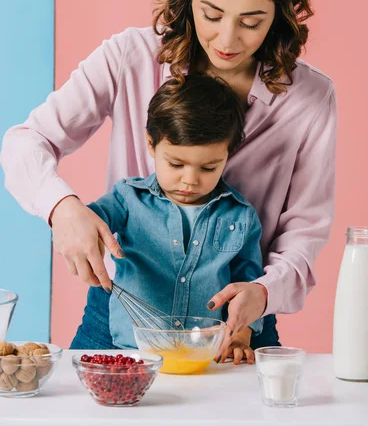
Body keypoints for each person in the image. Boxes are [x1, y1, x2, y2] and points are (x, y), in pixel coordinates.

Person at [1, 0, 337, 359]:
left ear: (278, 15)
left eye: (252, 21)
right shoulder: (130, 58)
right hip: (122, 313)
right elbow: (27, 140)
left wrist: (262, 293)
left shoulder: (309, 98)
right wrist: (61, 209)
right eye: (212, 15)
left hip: (240, 319)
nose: (228, 38)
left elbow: (304, 231)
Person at [71, 73, 265, 365]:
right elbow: (87, 223)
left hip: (203, 356)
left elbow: (247, 282)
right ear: (151, 144)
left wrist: (242, 333)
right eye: (176, 163)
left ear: (228, 154)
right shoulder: (127, 199)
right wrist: (78, 226)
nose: (190, 180)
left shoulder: (241, 216)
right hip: (130, 351)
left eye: (209, 167)